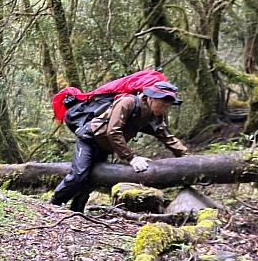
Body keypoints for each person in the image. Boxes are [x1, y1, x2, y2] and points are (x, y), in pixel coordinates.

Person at [50, 81, 188, 212]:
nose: (164, 109)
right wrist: (131, 158)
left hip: (105, 147)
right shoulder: (127, 102)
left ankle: (77, 211)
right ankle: (54, 204)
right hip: (89, 140)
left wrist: (186, 157)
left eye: (167, 106)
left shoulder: (153, 116)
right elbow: (113, 131)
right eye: (162, 104)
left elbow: (166, 137)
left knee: (92, 179)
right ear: (151, 98)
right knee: (79, 175)